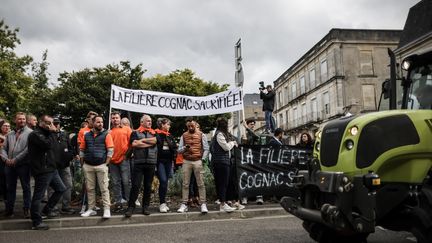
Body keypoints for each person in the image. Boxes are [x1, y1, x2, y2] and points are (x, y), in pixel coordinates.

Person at [28, 115, 67, 230]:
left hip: (51, 168)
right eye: (47, 123)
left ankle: (47, 210)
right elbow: (48, 145)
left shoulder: (47, 134)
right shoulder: (35, 134)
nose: (50, 125)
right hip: (42, 170)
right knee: (38, 196)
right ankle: (36, 221)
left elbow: (55, 148)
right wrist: (53, 133)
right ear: (40, 122)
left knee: (61, 189)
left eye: (51, 123)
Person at [79, 115, 114, 219]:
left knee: (104, 188)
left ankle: (107, 209)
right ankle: (91, 209)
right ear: (93, 123)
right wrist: (83, 164)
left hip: (101, 165)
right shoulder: (86, 135)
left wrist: (106, 163)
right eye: (98, 122)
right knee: (90, 189)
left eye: (102, 122)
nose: (101, 124)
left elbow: (110, 150)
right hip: (88, 165)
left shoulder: (106, 134)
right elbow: (82, 150)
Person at [125, 114, 158, 217]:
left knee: (148, 186)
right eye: (147, 121)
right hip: (139, 162)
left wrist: (142, 141)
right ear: (141, 122)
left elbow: (156, 141)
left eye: (150, 121)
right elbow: (134, 144)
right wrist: (149, 143)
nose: (150, 122)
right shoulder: (135, 133)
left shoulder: (154, 132)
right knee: (135, 185)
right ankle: (131, 207)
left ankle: (145, 207)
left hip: (151, 162)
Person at [0, 112, 32, 218]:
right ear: (15, 120)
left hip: (23, 165)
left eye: (23, 119)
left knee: (26, 187)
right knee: (10, 188)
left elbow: (28, 150)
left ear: (26, 120)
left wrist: (16, 159)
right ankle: (9, 210)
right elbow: (3, 148)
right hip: (9, 165)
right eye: (19, 119)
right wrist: (6, 160)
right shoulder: (10, 134)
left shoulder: (30, 133)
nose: (22, 121)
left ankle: (27, 209)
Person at [177, 117, 209, 214]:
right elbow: (179, 150)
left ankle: (203, 203)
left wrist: (203, 159)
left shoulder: (201, 135)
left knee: (200, 183)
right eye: (188, 126)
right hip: (187, 161)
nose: (190, 127)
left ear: (195, 124)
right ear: (187, 126)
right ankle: (184, 204)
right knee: (185, 184)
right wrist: (184, 148)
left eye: (192, 125)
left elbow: (206, 148)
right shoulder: (184, 135)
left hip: (197, 160)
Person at [211, 117, 237, 212]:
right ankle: (222, 204)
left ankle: (224, 203)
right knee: (223, 183)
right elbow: (226, 147)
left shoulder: (220, 134)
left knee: (224, 183)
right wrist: (233, 143)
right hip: (221, 162)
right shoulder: (219, 134)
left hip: (223, 161)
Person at [109, 112, 132, 213]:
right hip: (112, 161)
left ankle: (129, 202)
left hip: (124, 159)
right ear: (111, 120)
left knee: (126, 182)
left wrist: (127, 155)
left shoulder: (127, 129)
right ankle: (118, 203)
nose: (115, 119)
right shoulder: (109, 132)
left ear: (120, 119)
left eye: (116, 118)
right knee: (115, 182)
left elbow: (132, 143)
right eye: (113, 118)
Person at [52, 117, 75, 214]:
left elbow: (71, 149)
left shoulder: (64, 134)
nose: (57, 125)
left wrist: (69, 157)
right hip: (53, 166)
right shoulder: (49, 135)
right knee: (52, 187)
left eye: (58, 123)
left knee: (68, 185)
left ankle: (66, 206)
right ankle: (53, 207)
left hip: (65, 165)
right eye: (55, 123)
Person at [155, 118, 177, 213]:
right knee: (163, 180)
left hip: (168, 161)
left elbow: (174, 148)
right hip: (159, 161)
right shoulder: (156, 134)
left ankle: (163, 203)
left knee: (166, 182)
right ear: (162, 125)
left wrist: (176, 153)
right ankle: (162, 203)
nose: (169, 126)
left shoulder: (170, 136)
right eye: (168, 124)